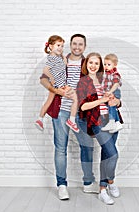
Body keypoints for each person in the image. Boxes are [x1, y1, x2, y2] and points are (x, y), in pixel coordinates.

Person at [40, 34, 99, 200]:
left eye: (81, 44)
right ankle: (62, 185)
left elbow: (99, 83)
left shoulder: (88, 64)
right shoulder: (60, 60)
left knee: (87, 146)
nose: (77, 47)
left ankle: (88, 183)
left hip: (81, 111)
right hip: (61, 111)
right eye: (74, 44)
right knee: (61, 148)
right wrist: (57, 91)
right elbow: (43, 80)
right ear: (70, 45)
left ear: (84, 47)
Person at [77, 52, 121, 205]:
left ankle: (103, 190)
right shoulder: (83, 82)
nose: (93, 66)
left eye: (97, 63)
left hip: (112, 120)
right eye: (91, 63)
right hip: (97, 122)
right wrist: (101, 100)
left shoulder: (105, 78)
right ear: (86, 64)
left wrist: (117, 101)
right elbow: (83, 106)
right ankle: (111, 180)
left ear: (100, 65)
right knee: (113, 155)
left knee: (107, 155)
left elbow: (118, 96)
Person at [35, 35, 79, 133]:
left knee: (49, 101)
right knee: (75, 98)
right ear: (50, 46)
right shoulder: (52, 58)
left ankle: (40, 119)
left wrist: (62, 55)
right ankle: (71, 120)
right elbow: (45, 70)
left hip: (60, 83)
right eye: (58, 45)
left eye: (62, 46)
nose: (60, 48)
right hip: (59, 84)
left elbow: (65, 64)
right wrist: (51, 77)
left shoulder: (57, 57)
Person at [101, 53, 123, 133]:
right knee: (112, 107)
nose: (106, 66)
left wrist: (110, 92)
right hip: (110, 92)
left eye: (109, 64)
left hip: (114, 91)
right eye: (105, 64)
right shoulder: (106, 74)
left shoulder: (114, 74)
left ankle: (112, 121)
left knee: (111, 105)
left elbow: (116, 84)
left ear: (115, 65)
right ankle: (117, 123)